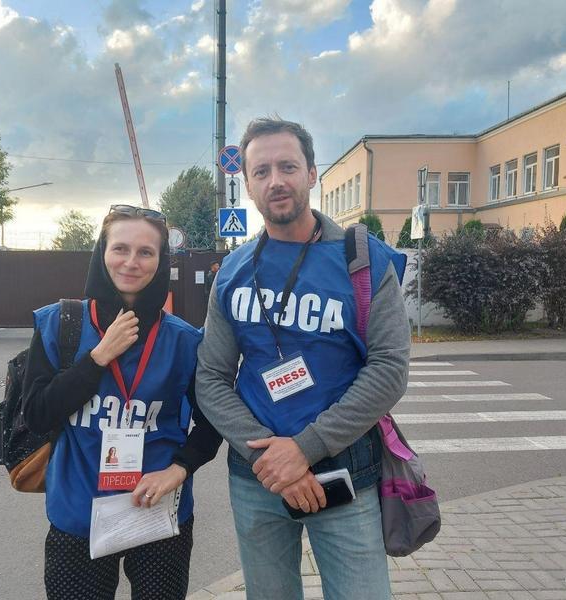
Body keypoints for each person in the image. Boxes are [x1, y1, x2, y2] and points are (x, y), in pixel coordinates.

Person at [196, 117, 410, 600]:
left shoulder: (364, 259)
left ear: (312, 173)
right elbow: (210, 377)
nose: (276, 181)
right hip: (257, 476)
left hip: (345, 466)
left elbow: (389, 369)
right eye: (262, 171)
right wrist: (274, 458)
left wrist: (303, 450)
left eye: (288, 166)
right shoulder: (231, 272)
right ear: (247, 184)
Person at [22, 204, 222, 600]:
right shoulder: (61, 324)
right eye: (121, 249)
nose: (131, 262)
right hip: (78, 514)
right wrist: (97, 358)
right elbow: (37, 413)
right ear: (102, 252)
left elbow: (213, 422)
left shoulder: (184, 341)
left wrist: (179, 470)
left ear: (161, 261)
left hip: (158, 510)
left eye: (146, 252)